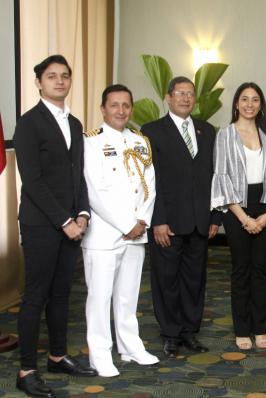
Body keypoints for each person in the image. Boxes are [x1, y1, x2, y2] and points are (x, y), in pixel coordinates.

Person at [13, 54, 97, 397]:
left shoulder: (75, 123)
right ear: (38, 82)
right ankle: (26, 370)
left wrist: (82, 215)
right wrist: (64, 221)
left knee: (63, 294)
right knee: (36, 296)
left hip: (72, 225)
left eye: (64, 76)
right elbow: (32, 180)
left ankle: (57, 356)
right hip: (41, 225)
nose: (59, 81)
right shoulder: (28, 123)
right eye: (51, 76)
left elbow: (78, 175)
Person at [81, 84, 159, 376]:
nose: (121, 110)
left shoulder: (140, 141)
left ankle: (130, 346)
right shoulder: (90, 142)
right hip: (104, 235)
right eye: (114, 105)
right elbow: (94, 192)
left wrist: (141, 221)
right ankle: (100, 354)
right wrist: (127, 224)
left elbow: (149, 185)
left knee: (128, 295)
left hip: (136, 232)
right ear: (103, 109)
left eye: (126, 105)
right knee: (99, 298)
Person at [142, 76, 219, 358]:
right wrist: (158, 220)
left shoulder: (207, 130)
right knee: (166, 279)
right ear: (168, 97)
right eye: (180, 93)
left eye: (190, 94)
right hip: (167, 223)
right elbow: (151, 180)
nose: (186, 98)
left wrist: (214, 217)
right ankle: (171, 334)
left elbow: (213, 177)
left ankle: (189, 332)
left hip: (200, 222)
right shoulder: (151, 131)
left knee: (194, 280)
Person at [211, 82, 266, 350]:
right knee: (241, 270)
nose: (250, 104)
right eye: (244, 99)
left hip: (265, 205)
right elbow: (222, 178)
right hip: (236, 208)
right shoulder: (225, 135)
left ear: (260, 104)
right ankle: (242, 328)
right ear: (236, 104)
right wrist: (243, 217)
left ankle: (260, 327)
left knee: (260, 270)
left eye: (255, 100)